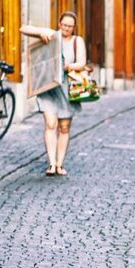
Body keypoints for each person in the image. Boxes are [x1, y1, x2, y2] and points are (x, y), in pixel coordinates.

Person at [21, 12, 87, 177]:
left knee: (64, 128)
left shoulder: (77, 41)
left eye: (70, 26)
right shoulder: (53, 36)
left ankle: (59, 164)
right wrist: (40, 33)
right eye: (64, 25)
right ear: (59, 24)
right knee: (51, 124)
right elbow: (23, 28)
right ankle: (51, 164)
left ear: (74, 27)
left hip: (67, 88)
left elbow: (82, 63)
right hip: (48, 87)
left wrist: (68, 66)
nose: (66, 28)